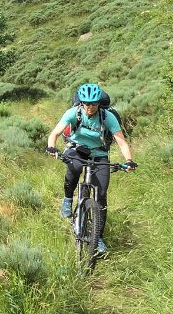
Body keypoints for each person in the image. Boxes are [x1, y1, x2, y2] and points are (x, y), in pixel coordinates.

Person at [45, 83, 136, 255]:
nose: (90, 107)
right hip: (76, 148)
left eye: (93, 103)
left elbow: (121, 141)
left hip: (99, 153)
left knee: (101, 194)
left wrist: (129, 160)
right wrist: (51, 147)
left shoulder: (107, 116)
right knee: (74, 168)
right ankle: (67, 200)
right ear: (81, 102)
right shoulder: (74, 113)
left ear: (99, 103)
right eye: (86, 103)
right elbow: (54, 134)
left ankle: (98, 236)